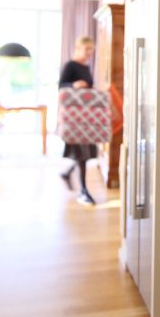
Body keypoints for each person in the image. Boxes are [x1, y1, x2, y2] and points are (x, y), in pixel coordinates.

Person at [59, 36, 97, 206]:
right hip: (75, 118)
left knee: (86, 153)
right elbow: (61, 86)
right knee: (82, 154)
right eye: (87, 49)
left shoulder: (86, 68)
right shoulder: (70, 66)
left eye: (91, 50)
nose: (90, 53)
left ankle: (67, 172)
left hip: (87, 116)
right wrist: (74, 85)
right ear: (79, 48)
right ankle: (84, 191)